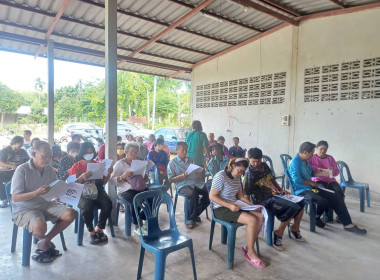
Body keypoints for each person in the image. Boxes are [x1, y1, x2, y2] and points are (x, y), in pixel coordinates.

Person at [11, 141, 76, 263]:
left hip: (45, 203)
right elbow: (15, 197)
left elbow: (54, 188)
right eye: (44, 156)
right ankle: (45, 241)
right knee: (40, 226)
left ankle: (44, 241)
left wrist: (61, 194)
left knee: (71, 213)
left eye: (50, 156)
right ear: (34, 154)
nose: (47, 159)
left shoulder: (49, 169)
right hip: (24, 208)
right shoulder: (22, 169)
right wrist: (36, 193)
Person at [288, 142, 366, 234]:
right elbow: (297, 180)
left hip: (310, 186)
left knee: (336, 196)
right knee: (322, 201)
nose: (313, 155)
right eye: (312, 153)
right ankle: (316, 217)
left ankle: (347, 224)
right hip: (301, 190)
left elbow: (311, 173)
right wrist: (311, 182)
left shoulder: (305, 161)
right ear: (305, 152)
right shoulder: (295, 162)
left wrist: (323, 173)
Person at [209, 157, 266, 268]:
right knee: (251, 220)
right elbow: (212, 196)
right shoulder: (221, 176)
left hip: (234, 204)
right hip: (221, 208)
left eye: (243, 172)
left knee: (260, 216)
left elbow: (240, 196)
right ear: (233, 166)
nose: (240, 174)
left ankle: (248, 247)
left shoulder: (236, 178)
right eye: (239, 171)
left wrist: (251, 205)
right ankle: (250, 252)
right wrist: (229, 205)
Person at [244, 148, 305, 251]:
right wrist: (251, 208)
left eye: (258, 161)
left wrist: (281, 189)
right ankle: (278, 233)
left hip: (275, 195)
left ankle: (295, 228)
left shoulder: (264, 166)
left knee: (301, 202)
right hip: (264, 200)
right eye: (253, 161)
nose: (256, 163)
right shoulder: (249, 173)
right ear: (249, 159)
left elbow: (272, 179)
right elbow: (247, 194)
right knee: (292, 207)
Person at [69, 142, 113, 244]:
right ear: (82, 153)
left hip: (97, 190)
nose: (89, 154)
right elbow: (71, 186)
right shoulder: (76, 167)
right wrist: (82, 177)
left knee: (108, 202)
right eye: (87, 152)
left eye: (91, 152)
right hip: (81, 192)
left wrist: (109, 174)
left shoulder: (97, 165)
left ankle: (99, 228)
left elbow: (103, 182)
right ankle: (91, 231)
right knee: (86, 205)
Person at [309, 141, 361, 227]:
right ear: (316, 149)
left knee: (339, 193)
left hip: (331, 180)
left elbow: (336, 172)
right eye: (321, 149)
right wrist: (318, 168)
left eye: (325, 149)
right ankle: (325, 215)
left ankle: (340, 216)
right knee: (325, 193)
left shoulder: (330, 158)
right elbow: (309, 167)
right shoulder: (312, 157)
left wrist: (332, 169)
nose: (323, 151)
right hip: (318, 180)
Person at [167, 142, 209, 229]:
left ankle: (195, 213)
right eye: (183, 150)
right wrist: (182, 176)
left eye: (186, 150)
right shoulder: (172, 163)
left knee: (209, 192)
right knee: (192, 194)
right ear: (177, 150)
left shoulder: (190, 159)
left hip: (194, 182)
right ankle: (191, 219)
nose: (185, 152)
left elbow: (195, 171)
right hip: (182, 185)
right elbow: (170, 179)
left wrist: (199, 174)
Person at [110, 142, 150, 235]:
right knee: (135, 200)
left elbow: (143, 177)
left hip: (139, 187)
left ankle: (140, 216)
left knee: (153, 197)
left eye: (136, 152)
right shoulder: (120, 164)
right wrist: (123, 176)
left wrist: (145, 178)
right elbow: (112, 181)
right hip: (125, 190)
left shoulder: (139, 163)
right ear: (126, 152)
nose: (134, 154)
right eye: (131, 152)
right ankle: (137, 224)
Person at [0, 136, 29, 208]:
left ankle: (22, 197)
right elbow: (1, 162)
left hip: (19, 172)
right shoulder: (4, 151)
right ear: (15, 143)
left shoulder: (22, 151)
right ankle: (4, 199)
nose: (22, 145)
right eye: (20, 143)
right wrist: (11, 166)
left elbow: (28, 161)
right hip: (6, 172)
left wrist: (21, 167)